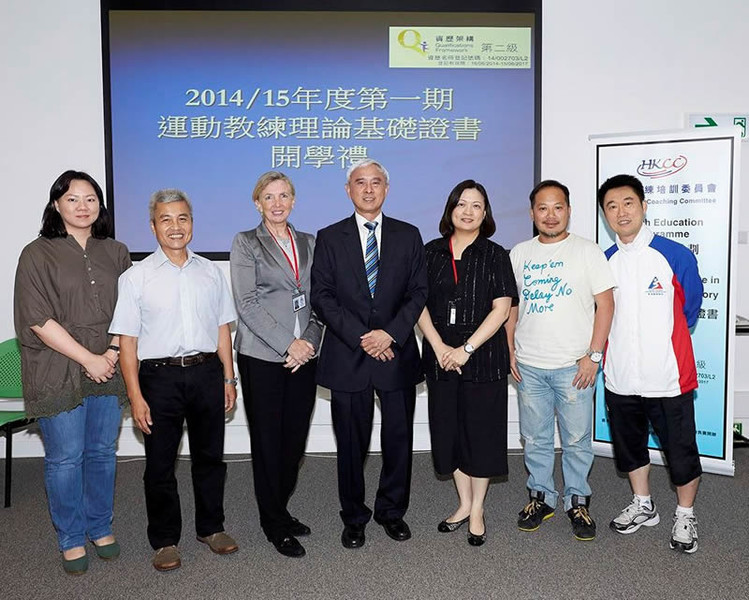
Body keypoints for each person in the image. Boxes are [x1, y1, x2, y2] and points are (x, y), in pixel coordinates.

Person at [109, 189, 239, 571]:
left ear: (192, 224)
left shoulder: (211, 272)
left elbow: (222, 328)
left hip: (206, 373)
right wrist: (135, 396)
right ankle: (165, 540)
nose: (175, 226)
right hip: (158, 378)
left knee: (210, 458)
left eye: (182, 218)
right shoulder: (136, 278)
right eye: (166, 219)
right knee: (160, 464)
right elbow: (128, 343)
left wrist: (229, 379)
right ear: (153, 227)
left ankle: (211, 528)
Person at [13, 170, 131, 574]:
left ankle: (100, 527)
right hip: (57, 366)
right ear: (56, 205)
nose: (83, 207)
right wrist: (89, 358)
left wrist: (112, 351)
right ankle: (70, 536)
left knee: (101, 452)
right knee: (65, 457)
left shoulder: (116, 251)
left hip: (110, 363)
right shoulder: (36, 253)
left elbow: (131, 310)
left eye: (91, 199)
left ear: (100, 205)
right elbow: (36, 319)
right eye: (73, 199)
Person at [311, 158, 427, 549]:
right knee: (350, 444)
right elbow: (322, 297)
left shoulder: (409, 235)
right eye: (360, 182)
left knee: (398, 439)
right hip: (348, 353)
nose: (368, 188)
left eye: (376, 182)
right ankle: (354, 516)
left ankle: (391, 511)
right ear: (348, 190)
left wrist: (390, 335)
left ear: (386, 189)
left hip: (395, 353)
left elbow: (418, 293)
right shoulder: (328, 237)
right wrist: (363, 336)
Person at [598, 174, 703, 553]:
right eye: (612, 206)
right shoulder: (604, 262)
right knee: (630, 450)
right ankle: (644, 505)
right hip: (621, 377)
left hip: (668, 377)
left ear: (643, 206)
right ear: (605, 215)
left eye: (628, 203)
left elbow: (689, 309)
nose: (621, 212)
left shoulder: (675, 255)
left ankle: (685, 514)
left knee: (681, 453)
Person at [505, 179, 615, 541]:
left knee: (577, 440)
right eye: (542, 208)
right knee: (534, 438)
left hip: (575, 366)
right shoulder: (519, 253)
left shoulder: (588, 251)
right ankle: (541, 497)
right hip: (530, 366)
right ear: (532, 213)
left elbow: (606, 305)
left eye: (558, 207)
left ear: (569, 210)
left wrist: (593, 356)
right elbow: (512, 308)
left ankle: (577, 501)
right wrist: (509, 350)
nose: (550, 215)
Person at [416, 180, 517, 546]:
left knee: (481, 435)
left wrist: (466, 349)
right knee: (450, 434)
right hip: (441, 359)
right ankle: (462, 503)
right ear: (450, 209)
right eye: (462, 204)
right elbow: (419, 305)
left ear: (485, 213)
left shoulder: (495, 254)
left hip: (483, 360)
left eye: (477, 205)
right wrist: (441, 346)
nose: (468, 211)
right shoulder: (430, 253)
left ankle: (478, 509)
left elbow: (502, 309)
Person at [230, 171, 323, 558]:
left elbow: (321, 298)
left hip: (305, 356)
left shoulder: (310, 242)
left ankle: (280, 510)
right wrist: (290, 344)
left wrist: (310, 343)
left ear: (294, 200)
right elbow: (246, 304)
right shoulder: (246, 243)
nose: (278, 202)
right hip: (264, 356)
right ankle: (273, 523)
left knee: (294, 441)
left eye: (284, 195)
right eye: (269, 196)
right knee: (268, 443)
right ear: (258, 203)